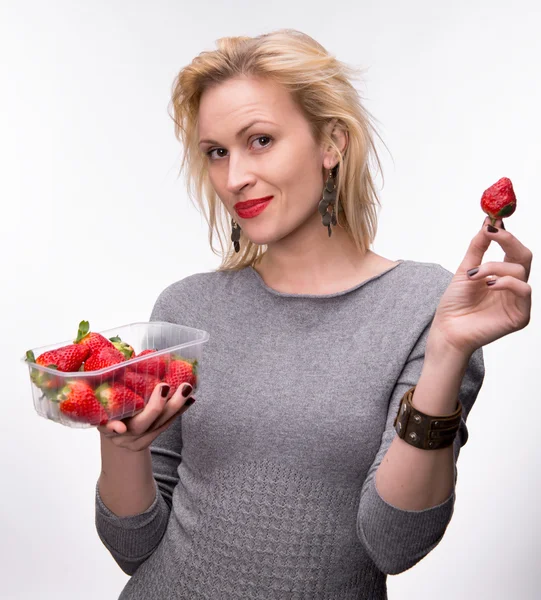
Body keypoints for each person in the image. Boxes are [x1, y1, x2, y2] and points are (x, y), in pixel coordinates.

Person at [94, 29, 533, 599]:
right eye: (217, 152)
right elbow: (131, 549)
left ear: (331, 143)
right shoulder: (187, 306)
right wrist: (120, 446)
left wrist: (448, 352)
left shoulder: (427, 306)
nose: (233, 178)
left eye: (260, 140)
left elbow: (395, 544)